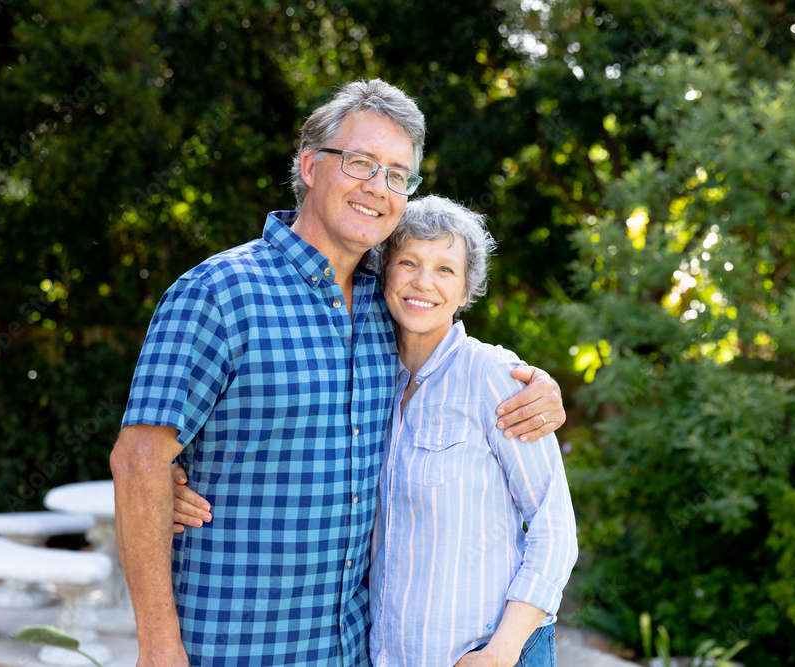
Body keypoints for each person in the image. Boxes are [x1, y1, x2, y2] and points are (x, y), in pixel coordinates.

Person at [110, 79, 565, 667]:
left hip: (350, 650)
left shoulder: (390, 306)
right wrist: (158, 646)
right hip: (228, 646)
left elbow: (455, 366)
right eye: (359, 162)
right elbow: (138, 460)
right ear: (309, 166)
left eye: (397, 175)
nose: (378, 187)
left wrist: (539, 385)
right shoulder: (219, 294)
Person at [173, 196, 578, 666]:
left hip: (489, 656)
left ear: (467, 290)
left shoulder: (493, 377)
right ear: (384, 274)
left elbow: (554, 527)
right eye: (408, 262)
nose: (423, 283)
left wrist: (500, 652)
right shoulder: (369, 376)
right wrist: (171, 478)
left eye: (445, 269)